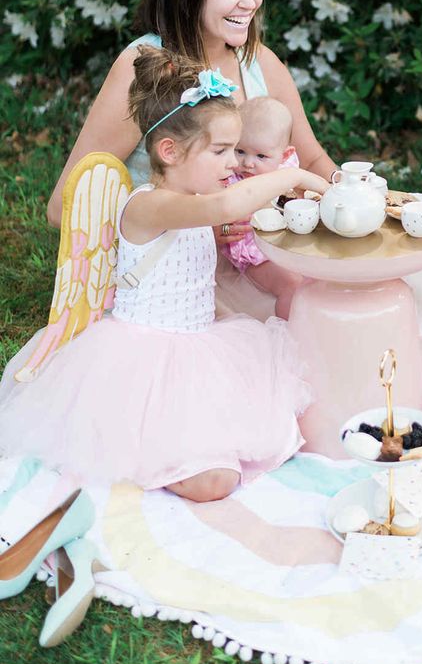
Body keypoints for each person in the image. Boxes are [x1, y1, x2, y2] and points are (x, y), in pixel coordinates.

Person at [0, 48, 329, 501]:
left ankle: (177, 449)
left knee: (262, 437)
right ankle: (134, 450)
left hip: (200, 348)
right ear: (170, 152)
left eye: (235, 151)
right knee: (212, 481)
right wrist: (304, 180)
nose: (234, 163)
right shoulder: (149, 204)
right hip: (144, 360)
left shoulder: (193, 206)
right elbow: (227, 205)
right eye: (221, 151)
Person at [45, 0, 337, 319]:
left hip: (259, 253)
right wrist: (200, 219)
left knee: (354, 291)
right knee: (293, 325)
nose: (249, 1)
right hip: (179, 270)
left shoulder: (259, 62)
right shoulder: (144, 69)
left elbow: (310, 157)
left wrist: (351, 189)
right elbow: (66, 208)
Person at [221, 96, 303, 319]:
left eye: (260, 156)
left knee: (321, 275)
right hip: (253, 249)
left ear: (284, 155)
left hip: (287, 241)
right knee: (292, 284)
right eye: (240, 151)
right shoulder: (229, 176)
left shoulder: (285, 167)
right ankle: (287, 333)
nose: (248, 163)